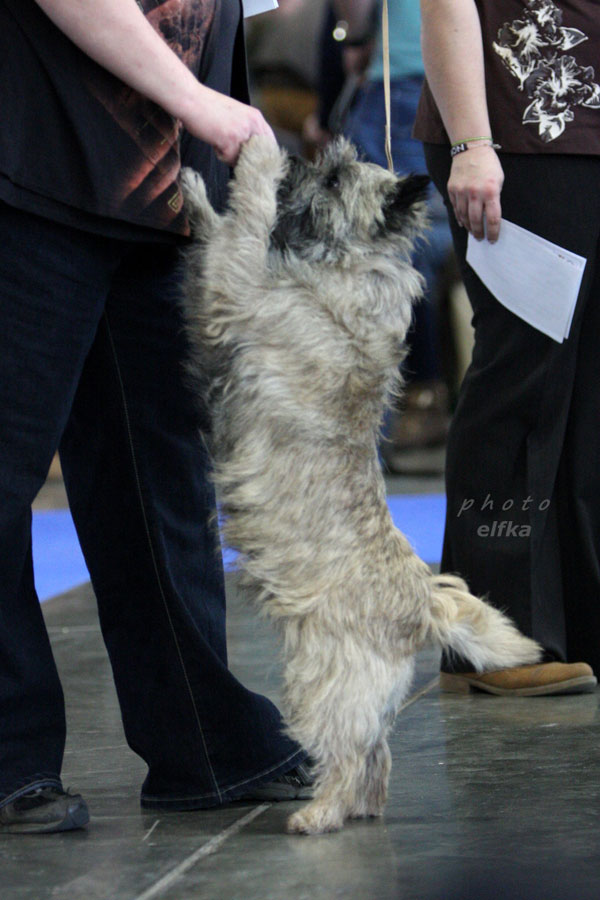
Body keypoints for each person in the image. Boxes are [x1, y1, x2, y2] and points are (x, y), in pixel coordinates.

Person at [0, 0, 311, 835]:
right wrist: (197, 100)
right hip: (31, 155)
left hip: (162, 189)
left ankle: (203, 743)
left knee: (159, 475)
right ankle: (10, 754)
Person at [414, 0, 600, 695]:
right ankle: (498, 639)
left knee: (585, 390)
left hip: (579, 131)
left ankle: (561, 628)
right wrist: (471, 143)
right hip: (515, 136)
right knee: (524, 379)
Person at [335, 0, 453, 467]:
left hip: (405, 82)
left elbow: (358, 12)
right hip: (497, 86)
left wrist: (355, 37)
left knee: (374, 265)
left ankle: (366, 448)